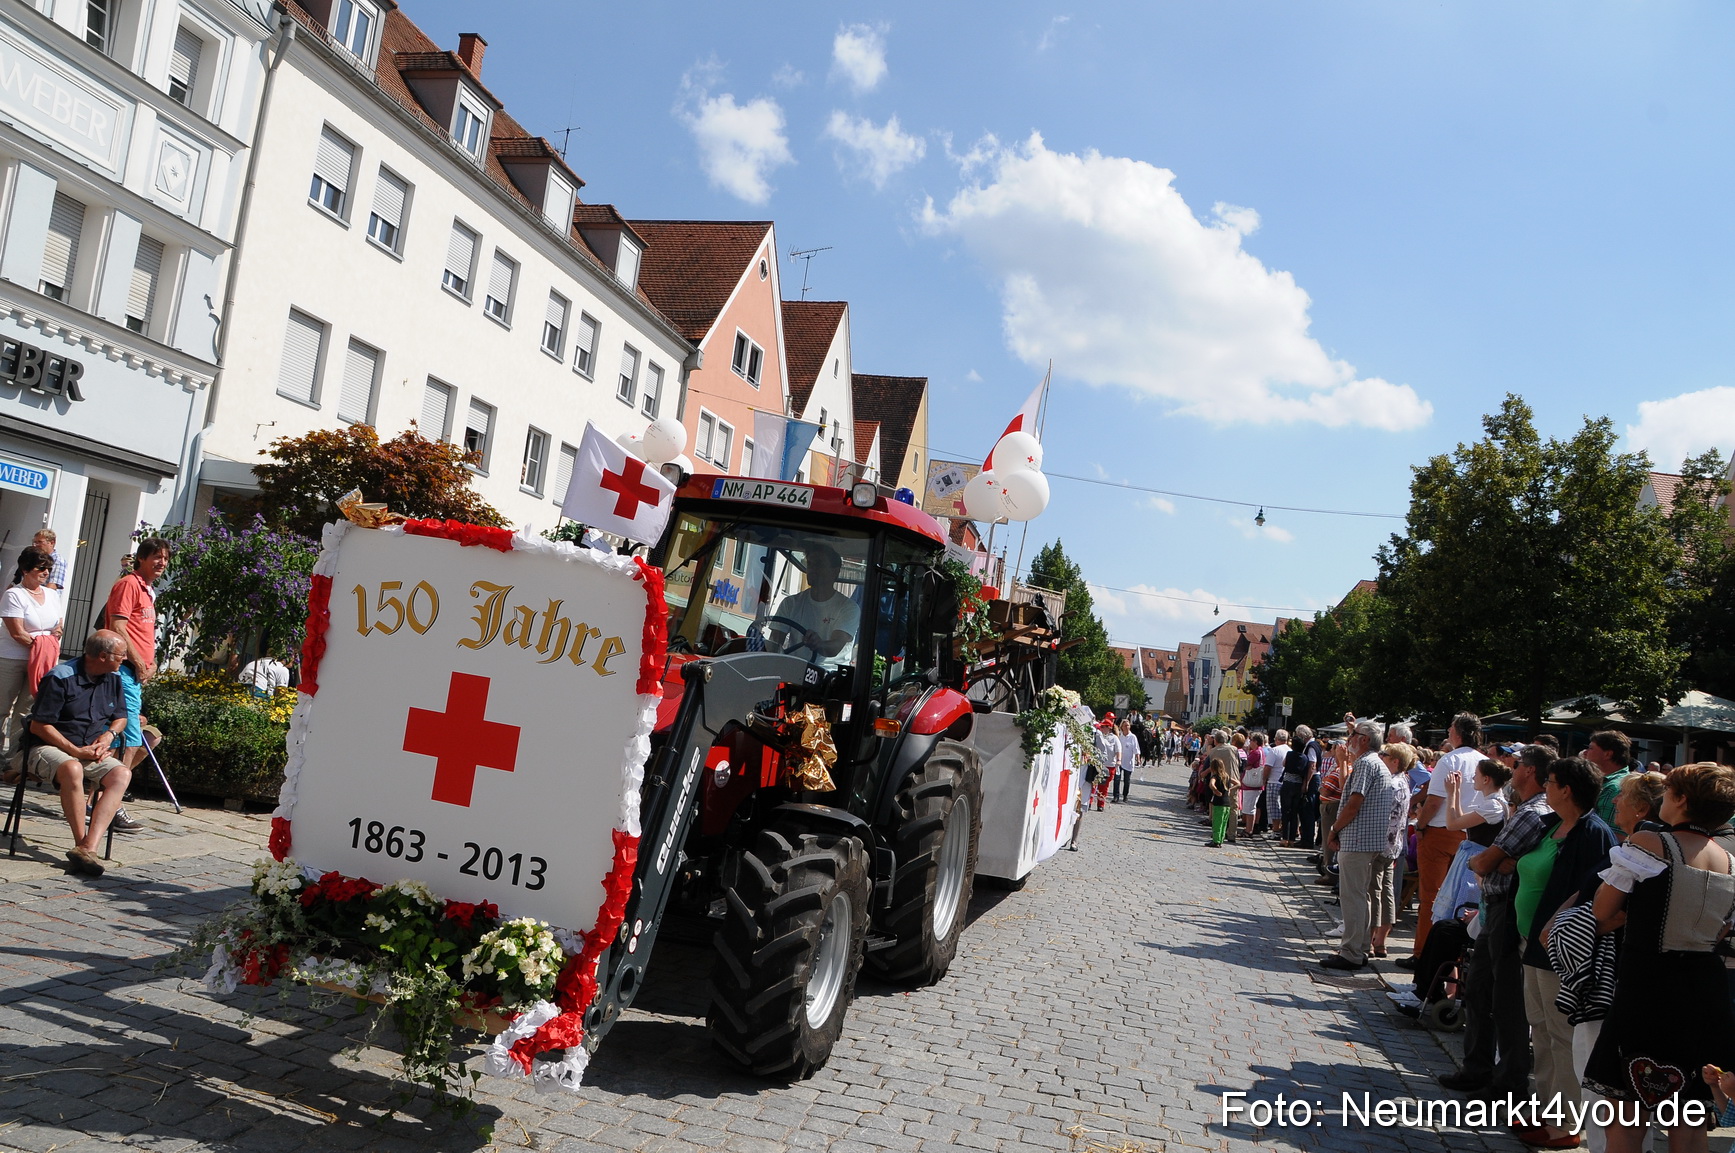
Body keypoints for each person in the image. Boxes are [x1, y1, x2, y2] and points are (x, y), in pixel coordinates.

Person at [1585, 763, 1735, 1153]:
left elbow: (1602, 910)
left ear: (1682, 800)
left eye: (1668, 792)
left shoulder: (1650, 844)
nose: (1663, 799)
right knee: (1688, 1120)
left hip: (1649, 986)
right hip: (1705, 990)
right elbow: (1721, 931)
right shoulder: (1729, 860)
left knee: (1628, 1119)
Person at [1508, 756, 1615, 1149]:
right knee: (1542, 1031)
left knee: (1561, 1035)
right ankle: (1546, 1110)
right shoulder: (1553, 824)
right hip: (1532, 944)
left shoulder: (1594, 833)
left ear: (1566, 789)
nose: (1545, 787)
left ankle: (1567, 1124)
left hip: (1561, 952)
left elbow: (1597, 893)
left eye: (1550, 782)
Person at [1443, 744, 1554, 1099]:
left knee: (1503, 997)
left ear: (1531, 772)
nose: (1511, 766)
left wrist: (1495, 862)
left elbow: (1486, 861)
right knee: (1479, 989)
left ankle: (1506, 1080)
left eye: (1518, 764)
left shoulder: (1532, 813)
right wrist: (1495, 862)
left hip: (1506, 908)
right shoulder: (1525, 809)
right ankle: (1478, 1068)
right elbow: (1494, 860)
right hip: (1495, 905)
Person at [22, 630, 132, 877]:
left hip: (90, 749)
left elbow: (121, 717)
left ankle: (87, 848)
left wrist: (108, 736)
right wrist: (73, 750)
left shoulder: (113, 678)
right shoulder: (61, 677)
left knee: (121, 774)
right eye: (121, 654)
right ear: (103, 655)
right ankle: (80, 842)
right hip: (49, 746)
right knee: (72, 767)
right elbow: (38, 725)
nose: (125, 659)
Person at [102, 539, 170, 835]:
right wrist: (139, 663)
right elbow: (118, 627)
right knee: (128, 739)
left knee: (131, 738)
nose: (162, 563)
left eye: (165, 558)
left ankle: (103, 800)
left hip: (135, 673)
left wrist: (150, 662)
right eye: (156, 557)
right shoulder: (129, 584)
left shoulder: (148, 590)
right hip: (124, 671)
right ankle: (113, 805)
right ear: (141, 558)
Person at [1405, 711, 1483, 967]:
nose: (1448, 732)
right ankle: (1451, 958)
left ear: (1457, 732)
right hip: (1470, 834)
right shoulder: (1483, 761)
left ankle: (1423, 955)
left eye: (1451, 728)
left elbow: (1435, 800)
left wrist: (1422, 825)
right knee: (1461, 899)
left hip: (1441, 833)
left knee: (1432, 898)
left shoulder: (1449, 760)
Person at [1321, 720, 1397, 970]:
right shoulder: (1378, 764)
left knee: (1352, 897)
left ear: (1364, 739)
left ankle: (1351, 952)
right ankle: (1360, 946)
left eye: (1353, 734)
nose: (1349, 738)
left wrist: (1334, 829)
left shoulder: (1366, 763)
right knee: (1361, 896)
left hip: (1358, 840)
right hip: (1369, 840)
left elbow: (1354, 803)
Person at [0, 547, 62, 762]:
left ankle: (14, 758)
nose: (46, 573)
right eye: (41, 568)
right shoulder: (14, 594)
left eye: (49, 569)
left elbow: (58, 623)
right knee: (2, 706)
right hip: (12, 658)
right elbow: (17, 633)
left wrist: (56, 634)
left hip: (40, 661)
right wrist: (42, 644)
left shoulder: (53, 595)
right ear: (26, 569)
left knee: (26, 710)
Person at [1372, 742, 1417, 959]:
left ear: (1395, 761)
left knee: (1374, 891)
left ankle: (1371, 940)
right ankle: (1380, 941)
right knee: (1387, 892)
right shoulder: (1404, 781)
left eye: (1385, 755)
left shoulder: (1390, 782)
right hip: (1394, 844)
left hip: (1380, 843)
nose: (1381, 757)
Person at [1584, 730, 1632, 835]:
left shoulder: (1614, 788)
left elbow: (1609, 837)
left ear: (1607, 754)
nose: (1585, 752)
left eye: (1591, 748)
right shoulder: (1608, 782)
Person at [1280, 724, 1316, 847]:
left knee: (1285, 811)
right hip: (1298, 784)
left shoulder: (1290, 755)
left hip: (1288, 783)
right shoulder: (1305, 757)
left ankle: (1284, 837)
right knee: (1294, 812)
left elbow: (1284, 764)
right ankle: (1291, 839)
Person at [1238, 732, 1266, 836]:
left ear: (1255, 741)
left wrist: (1246, 767)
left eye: (1251, 740)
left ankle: (1248, 830)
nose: (1249, 742)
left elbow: (1245, 763)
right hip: (1256, 783)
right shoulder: (1261, 751)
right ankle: (1249, 828)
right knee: (1251, 806)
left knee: (1250, 807)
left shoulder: (1256, 753)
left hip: (1252, 784)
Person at [1265, 729, 1291, 840]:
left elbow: (1268, 767)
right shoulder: (1290, 750)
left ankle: (1275, 830)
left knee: (1274, 807)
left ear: (1276, 739)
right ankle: (1281, 829)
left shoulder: (1274, 750)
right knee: (1283, 807)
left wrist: (1264, 779)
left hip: (1274, 781)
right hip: (1285, 781)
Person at [1113, 718, 1138, 803]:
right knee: (1117, 779)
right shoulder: (1119, 736)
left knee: (1127, 780)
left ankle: (1125, 795)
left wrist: (1138, 759)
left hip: (1128, 761)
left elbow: (1136, 749)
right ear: (1122, 727)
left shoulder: (1133, 737)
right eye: (1125, 725)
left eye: (1128, 725)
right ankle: (1116, 796)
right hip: (1119, 761)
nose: (1127, 727)